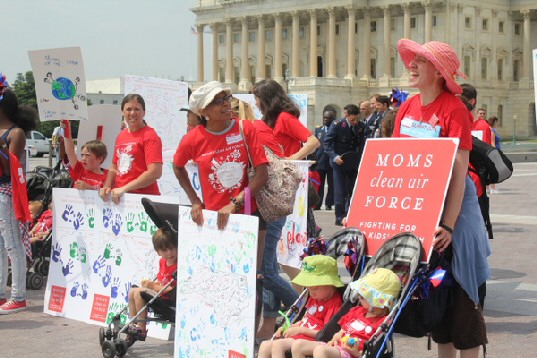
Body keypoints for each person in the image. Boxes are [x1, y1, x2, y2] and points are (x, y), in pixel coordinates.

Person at [392, 39, 490, 358]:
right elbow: (396, 163)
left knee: (462, 303)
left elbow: (459, 175)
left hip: (456, 217)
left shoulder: (454, 110)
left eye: (420, 60)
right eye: (413, 58)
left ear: (438, 71)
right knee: (436, 303)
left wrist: (447, 225)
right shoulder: (406, 107)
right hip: (423, 214)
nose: (411, 64)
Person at [251, 78, 320, 339]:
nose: (255, 104)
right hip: (274, 192)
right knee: (270, 264)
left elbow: (312, 141)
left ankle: (304, 310)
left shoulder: (283, 119)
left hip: (283, 191)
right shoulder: (272, 122)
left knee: (270, 266)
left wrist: (289, 160)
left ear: (265, 99)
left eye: (257, 98)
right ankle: (275, 321)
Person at [292, 268, 401, 358]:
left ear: (376, 302)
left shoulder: (382, 323)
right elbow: (340, 332)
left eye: (363, 296)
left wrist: (356, 353)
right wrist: (335, 338)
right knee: (298, 345)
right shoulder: (356, 311)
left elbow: (369, 351)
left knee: (321, 351)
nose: (359, 298)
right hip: (336, 347)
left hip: (349, 354)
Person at [258, 255, 344, 358]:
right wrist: (287, 327)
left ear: (330, 284)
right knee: (265, 345)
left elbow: (325, 332)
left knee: (279, 345)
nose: (311, 293)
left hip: (311, 339)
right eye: (309, 289)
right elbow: (306, 320)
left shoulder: (334, 304)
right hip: (300, 334)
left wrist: (302, 330)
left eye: (315, 288)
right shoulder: (314, 298)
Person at [0, 79, 37, 314]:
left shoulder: (16, 133)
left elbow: (10, 168)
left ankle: (18, 295)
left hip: (7, 193)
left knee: (12, 245)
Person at [99, 94, 163, 204]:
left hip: (143, 200)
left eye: (137, 109)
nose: (132, 113)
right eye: (128, 109)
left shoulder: (150, 136)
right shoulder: (121, 136)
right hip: (120, 198)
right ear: (122, 112)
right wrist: (107, 185)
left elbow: (155, 172)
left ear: (144, 112)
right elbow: (114, 167)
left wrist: (124, 189)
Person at [126, 228, 177, 347]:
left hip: (168, 298)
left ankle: (141, 329)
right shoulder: (162, 262)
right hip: (160, 293)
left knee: (139, 292)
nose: (169, 253)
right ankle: (134, 325)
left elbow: (172, 290)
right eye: (165, 250)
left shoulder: (178, 265)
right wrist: (152, 285)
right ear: (158, 252)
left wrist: (153, 286)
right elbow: (162, 281)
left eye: (172, 248)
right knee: (132, 291)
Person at [323, 104, 365, 226]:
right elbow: (327, 144)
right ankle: (339, 216)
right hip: (339, 162)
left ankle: (350, 213)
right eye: (352, 120)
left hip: (352, 162)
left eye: (356, 119)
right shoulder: (337, 125)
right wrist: (334, 157)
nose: (355, 122)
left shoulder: (360, 126)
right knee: (340, 191)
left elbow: (361, 144)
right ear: (346, 115)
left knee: (353, 189)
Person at [63, 121, 108, 190]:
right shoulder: (80, 170)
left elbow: (106, 198)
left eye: (87, 155)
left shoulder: (107, 178)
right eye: (82, 155)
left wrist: (89, 188)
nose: (83, 158)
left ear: (100, 158)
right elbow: (70, 152)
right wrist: (66, 129)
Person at [313, 110, 335, 211]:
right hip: (320, 160)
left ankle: (329, 204)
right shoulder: (318, 130)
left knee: (331, 184)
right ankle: (318, 204)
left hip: (331, 161)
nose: (326, 120)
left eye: (328, 118)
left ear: (332, 118)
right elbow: (315, 146)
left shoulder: (335, 129)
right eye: (325, 118)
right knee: (319, 183)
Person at [487, 116, 501, 194]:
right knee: (493, 170)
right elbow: (492, 142)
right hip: (493, 151)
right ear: (494, 122)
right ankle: (492, 188)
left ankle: (488, 188)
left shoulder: (491, 129)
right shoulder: (492, 130)